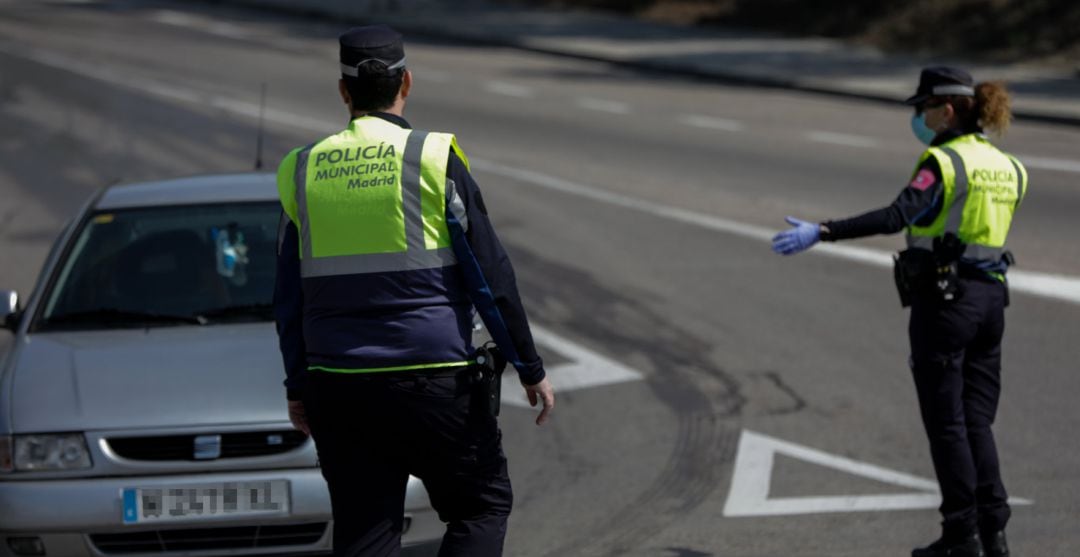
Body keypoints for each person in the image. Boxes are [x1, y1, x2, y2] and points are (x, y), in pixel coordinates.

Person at [273, 24, 555, 557]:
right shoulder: (433, 155)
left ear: (343, 91)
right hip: (433, 380)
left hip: (338, 384)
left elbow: (287, 298)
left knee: (366, 531)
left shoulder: (302, 168)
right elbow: (490, 273)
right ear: (407, 82)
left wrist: (297, 384)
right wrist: (529, 366)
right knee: (480, 507)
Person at [771, 67, 1025, 557]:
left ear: (946, 110)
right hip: (992, 300)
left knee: (947, 422)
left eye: (923, 107)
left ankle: (960, 536)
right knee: (977, 421)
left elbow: (896, 216)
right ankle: (994, 533)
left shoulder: (943, 161)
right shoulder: (1007, 165)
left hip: (947, 303)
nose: (919, 116)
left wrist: (821, 231)